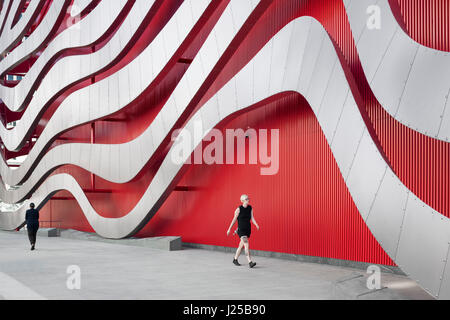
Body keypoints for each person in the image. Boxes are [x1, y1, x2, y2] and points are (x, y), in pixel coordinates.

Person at [226, 194, 260, 268]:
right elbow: (234, 220)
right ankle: (250, 262)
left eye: (248, 198)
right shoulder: (238, 209)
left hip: (247, 229)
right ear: (242, 201)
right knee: (246, 244)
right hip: (241, 230)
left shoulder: (250, 208)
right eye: (246, 199)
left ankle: (235, 259)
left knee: (241, 246)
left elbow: (252, 218)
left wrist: (256, 224)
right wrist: (229, 229)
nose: (248, 200)